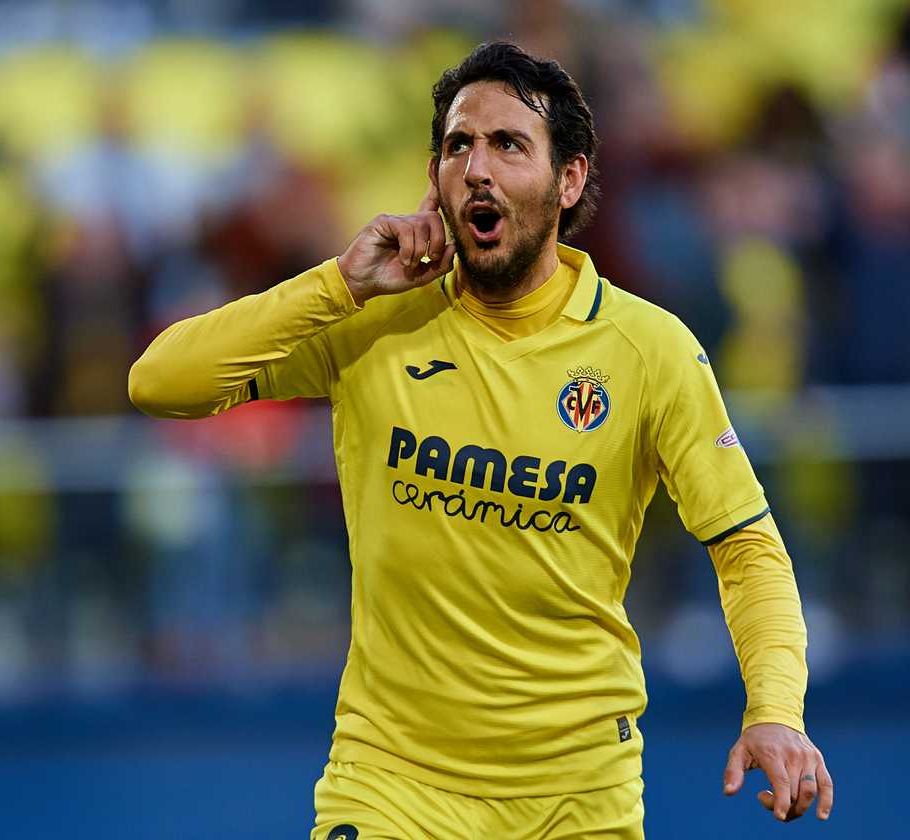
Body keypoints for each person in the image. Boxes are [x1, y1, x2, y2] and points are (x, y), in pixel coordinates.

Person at [129, 41, 833, 839]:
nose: (477, 167)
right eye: (458, 145)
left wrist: (776, 710)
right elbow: (160, 383)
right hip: (391, 782)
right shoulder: (371, 322)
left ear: (569, 180)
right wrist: (340, 284)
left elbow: (747, 547)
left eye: (508, 144)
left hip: (577, 796)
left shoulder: (649, 351)